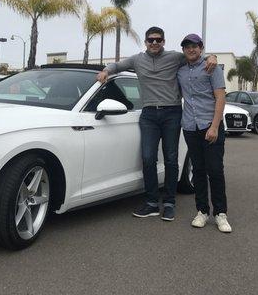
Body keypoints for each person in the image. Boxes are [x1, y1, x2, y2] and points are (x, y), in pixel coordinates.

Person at [97, 26, 217, 221]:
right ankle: (152, 202)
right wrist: (105, 71)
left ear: (163, 42)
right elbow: (117, 66)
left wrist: (212, 57)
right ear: (145, 42)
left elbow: (195, 55)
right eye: (151, 40)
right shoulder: (137, 60)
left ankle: (169, 203)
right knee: (147, 158)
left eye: (158, 40)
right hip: (149, 115)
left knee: (171, 159)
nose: (154, 43)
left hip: (172, 113)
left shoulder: (174, 57)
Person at [177, 33, 232, 233]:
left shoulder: (211, 67)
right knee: (198, 171)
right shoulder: (180, 70)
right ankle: (202, 211)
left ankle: (220, 214)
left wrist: (215, 126)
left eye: (195, 46)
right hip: (190, 127)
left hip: (211, 125)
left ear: (201, 48)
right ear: (183, 50)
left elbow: (220, 98)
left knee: (215, 170)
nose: (191, 49)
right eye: (187, 46)